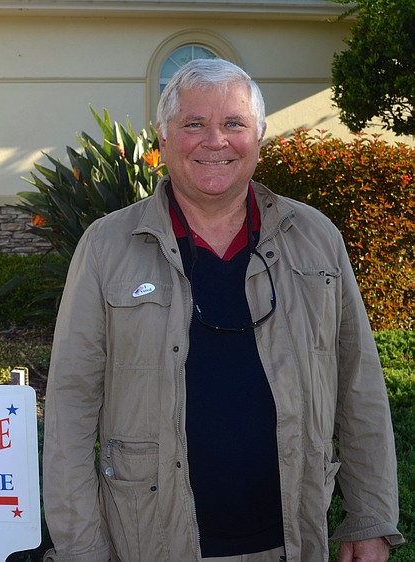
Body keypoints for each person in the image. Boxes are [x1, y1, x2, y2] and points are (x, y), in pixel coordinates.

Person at [42, 58, 403, 562]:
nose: (216, 141)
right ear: (163, 141)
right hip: (151, 542)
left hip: (292, 542)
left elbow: (359, 383)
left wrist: (369, 516)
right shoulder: (106, 246)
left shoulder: (317, 238)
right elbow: (71, 407)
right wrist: (81, 548)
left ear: (258, 137)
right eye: (194, 124)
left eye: (234, 124)